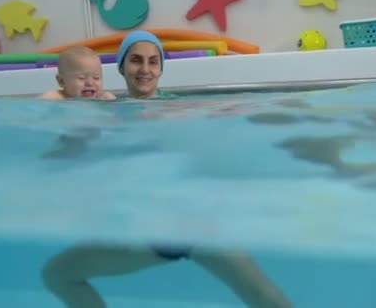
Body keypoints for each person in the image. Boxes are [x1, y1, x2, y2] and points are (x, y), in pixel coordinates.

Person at [41, 31, 293, 308]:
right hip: (154, 228)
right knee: (57, 274)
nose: (145, 69)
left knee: (260, 293)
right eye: (136, 60)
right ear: (122, 66)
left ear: (161, 68)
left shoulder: (174, 107)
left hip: (189, 220)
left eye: (153, 61)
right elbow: (67, 159)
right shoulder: (105, 109)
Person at [39, 45, 116, 100]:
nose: (90, 83)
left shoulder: (102, 98)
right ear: (61, 81)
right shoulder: (56, 97)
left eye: (96, 78)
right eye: (81, 78)